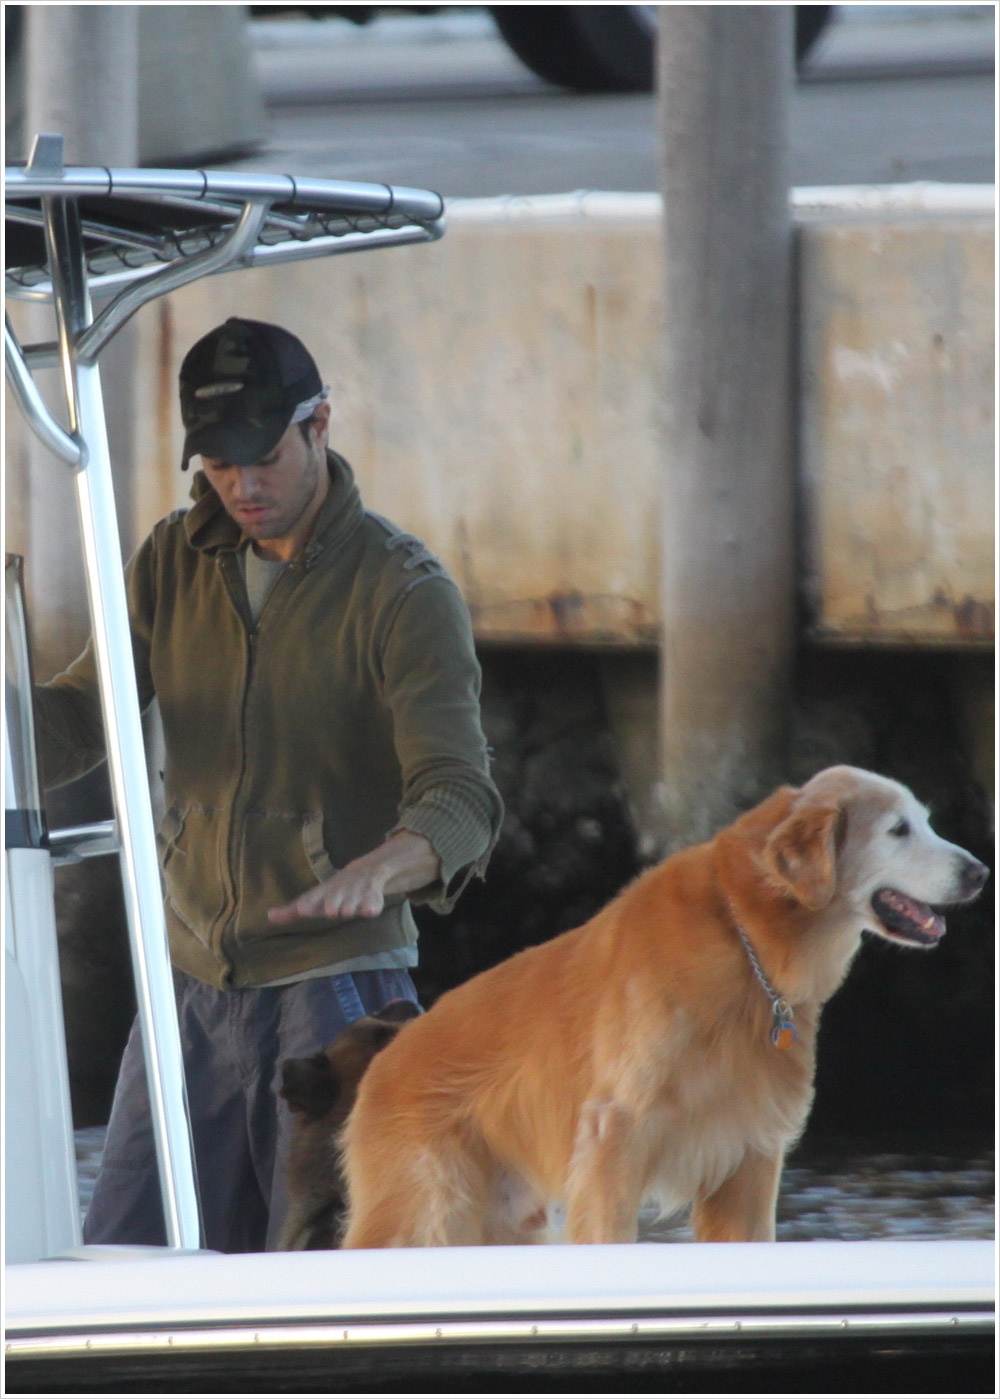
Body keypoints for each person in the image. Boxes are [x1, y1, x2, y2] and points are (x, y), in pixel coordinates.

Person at [33, 317, 503, 1253]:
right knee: (124, 1258)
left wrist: (384, 866)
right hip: (188, 992)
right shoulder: (168, 562)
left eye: (264, 456)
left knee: (336, 1270)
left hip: (339, 995)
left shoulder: (405, 590)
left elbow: (462, 797)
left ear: (319, 424)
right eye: (218, 463)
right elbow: (88, 713)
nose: (243, 485)